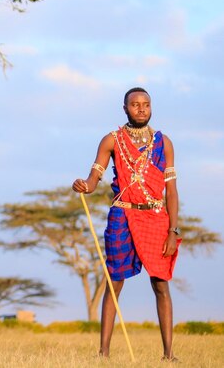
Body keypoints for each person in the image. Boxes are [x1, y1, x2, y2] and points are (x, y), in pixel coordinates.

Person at [72, 87, 181, 361]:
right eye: (135, 105)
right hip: (122, 215)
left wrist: (172, 231)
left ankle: (169, 356)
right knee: (114, 282)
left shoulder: (163, 142)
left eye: (146, 104)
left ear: (151, 107)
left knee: (161, 284)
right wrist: (85, 185)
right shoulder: (112, 140)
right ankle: (103, 353)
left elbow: (172, 190)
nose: (141, 109)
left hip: (156, 219)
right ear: (125, 109)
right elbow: (94, 176)